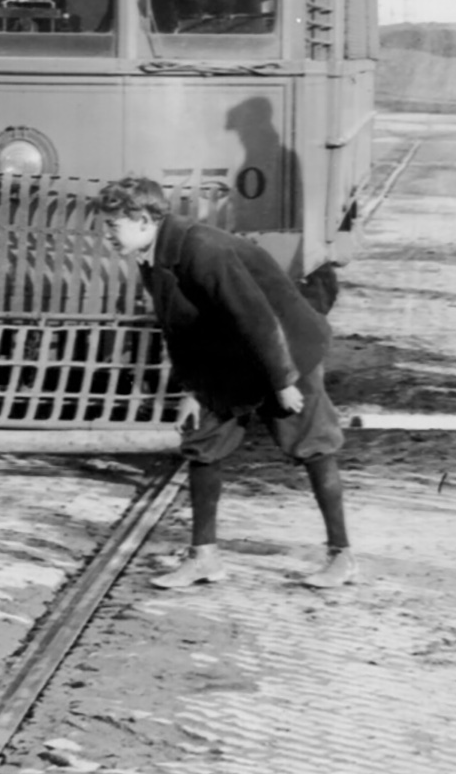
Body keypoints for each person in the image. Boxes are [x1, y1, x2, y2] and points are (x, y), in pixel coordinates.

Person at [97, 175, 355, 590]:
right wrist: (192, 392)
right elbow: (180, 330)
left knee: (312, 445)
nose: (106, 234)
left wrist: (283, 382)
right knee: (203, 446)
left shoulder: (202, 250)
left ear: (143, 219)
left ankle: (341, 556)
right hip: (231, 359)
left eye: (112, 225)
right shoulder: (152, 254)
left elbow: (258, 318)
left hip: (286, 353)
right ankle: (204, 559)